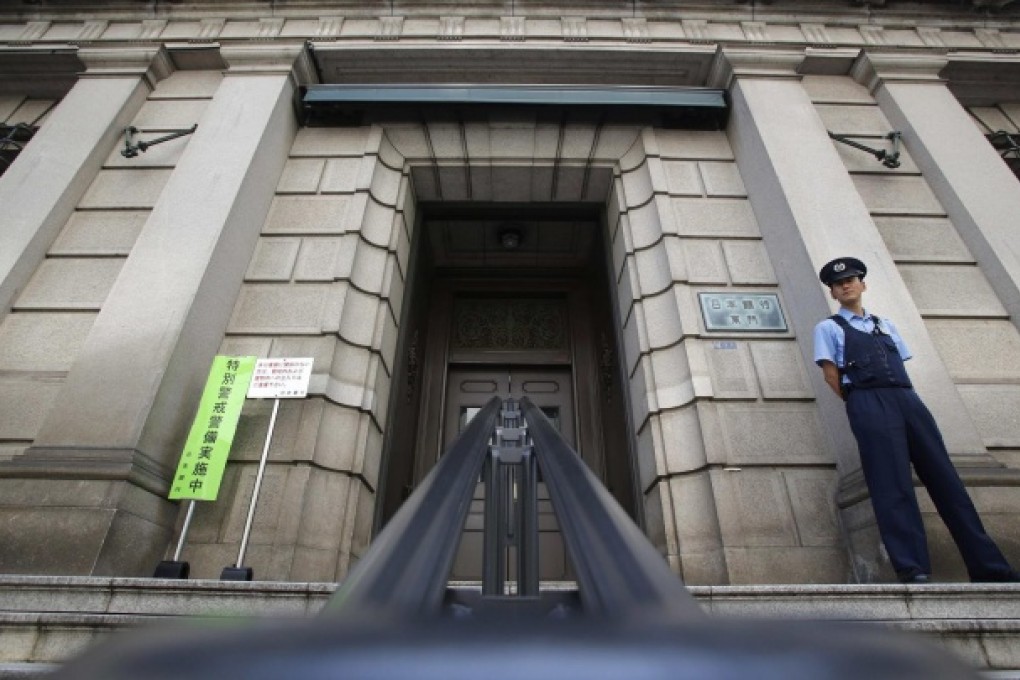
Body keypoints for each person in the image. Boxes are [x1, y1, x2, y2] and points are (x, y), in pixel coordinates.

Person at [813, 256, 1019, 584]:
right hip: (868, 401)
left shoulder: (885, 325)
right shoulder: (829, 328)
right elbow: (830, 375)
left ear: (863, 284)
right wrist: (859, 405)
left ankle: (989, 566)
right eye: (839, 284)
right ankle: (912, 568)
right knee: (891, 484)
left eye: (851, 280)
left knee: (946, 481)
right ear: (833, 293)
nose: (846, 286)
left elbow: (900, 362)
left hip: (907, 399)